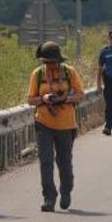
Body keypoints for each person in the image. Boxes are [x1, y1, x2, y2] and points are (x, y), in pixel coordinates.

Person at [28, 42, 84, 212]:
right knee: (46, 161)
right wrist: (44, 98)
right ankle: (49, 198)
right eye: (47, 62)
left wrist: (64, 99)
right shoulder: (37, 75)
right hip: (43, 123)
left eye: (53, 62)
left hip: (66, 124)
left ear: (59, 60)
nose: (50, 65)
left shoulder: (69, 72)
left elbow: (80, 95)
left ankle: (66, 191)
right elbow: (31, 100)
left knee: (64, 162)